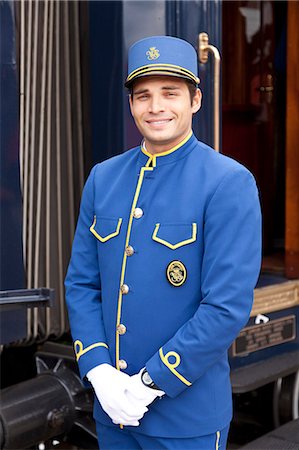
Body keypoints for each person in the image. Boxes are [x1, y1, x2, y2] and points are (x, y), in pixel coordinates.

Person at [65, 35, 261, 449]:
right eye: (143, 96)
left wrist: (150, 382)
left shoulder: (228, 182)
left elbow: (225, 306)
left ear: (195, 100)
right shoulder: (104, 177)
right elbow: (82, 285)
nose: (155, 107)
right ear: (132, 104)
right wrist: (99, 371)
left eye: (170, 93)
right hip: (112, 412)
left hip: (185, 418)